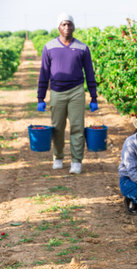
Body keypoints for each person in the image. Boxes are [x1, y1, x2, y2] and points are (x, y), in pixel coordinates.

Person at [36, 12, 98, 174]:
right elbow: (44, 73)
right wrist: (40, 97)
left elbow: (89, 73)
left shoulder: (82, 48)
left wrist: (93, 96)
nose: (67, 27)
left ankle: (76, 161)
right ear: (58, 27)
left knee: (77, 127)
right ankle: (58, 157)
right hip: (56, 92)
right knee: (57, 127)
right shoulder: (49, 47)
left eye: (69, 24)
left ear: (73, 26)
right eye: (63, 24)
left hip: (76, 91)